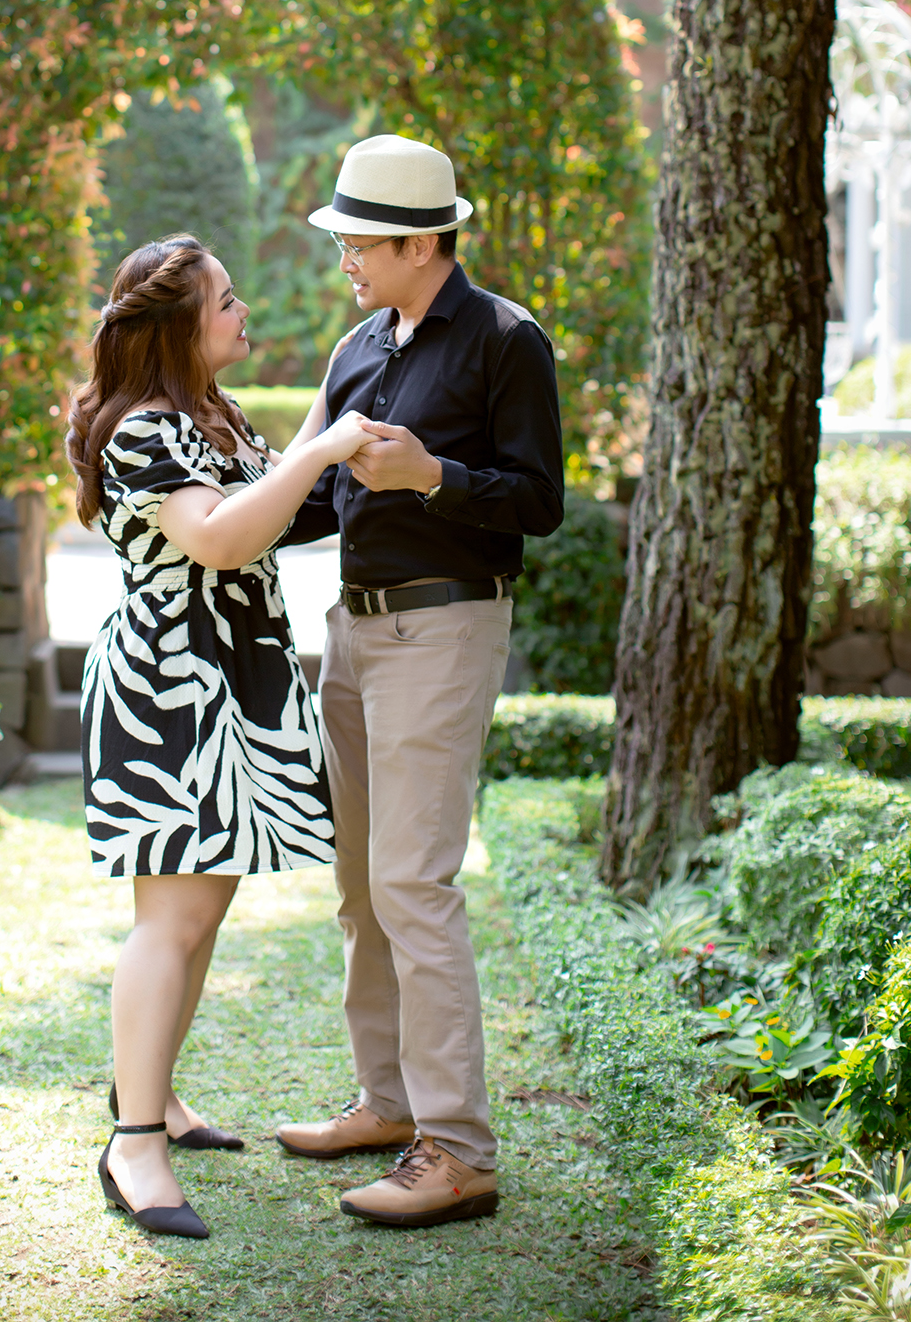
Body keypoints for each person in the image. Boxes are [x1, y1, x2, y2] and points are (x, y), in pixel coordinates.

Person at [274, 134, 564, 1229]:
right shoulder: (355, 346)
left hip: (445, 627)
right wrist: (207, 503)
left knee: (412, 882)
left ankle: (459, 1150)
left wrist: (431, 474)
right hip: (351, 633)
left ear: (421, 242)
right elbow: (313, 499)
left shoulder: (506, 340)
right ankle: (387, 1103)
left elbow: (539, 502)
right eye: (342, 238)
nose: (344, 255)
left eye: (359, 239)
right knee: (360, 882)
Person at [65, 234, 373, 1241]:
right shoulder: (141, 429)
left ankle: (154, 1096)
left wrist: (335, 404)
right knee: (171, 919)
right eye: (227, 300)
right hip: (171, 686)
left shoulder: (214, 415)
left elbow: (281, 504)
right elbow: (220, 537)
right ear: (177, 324)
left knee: (200, 911)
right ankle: (132, 1141)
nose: (244, 311)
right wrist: (320, 448)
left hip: (232, 678)